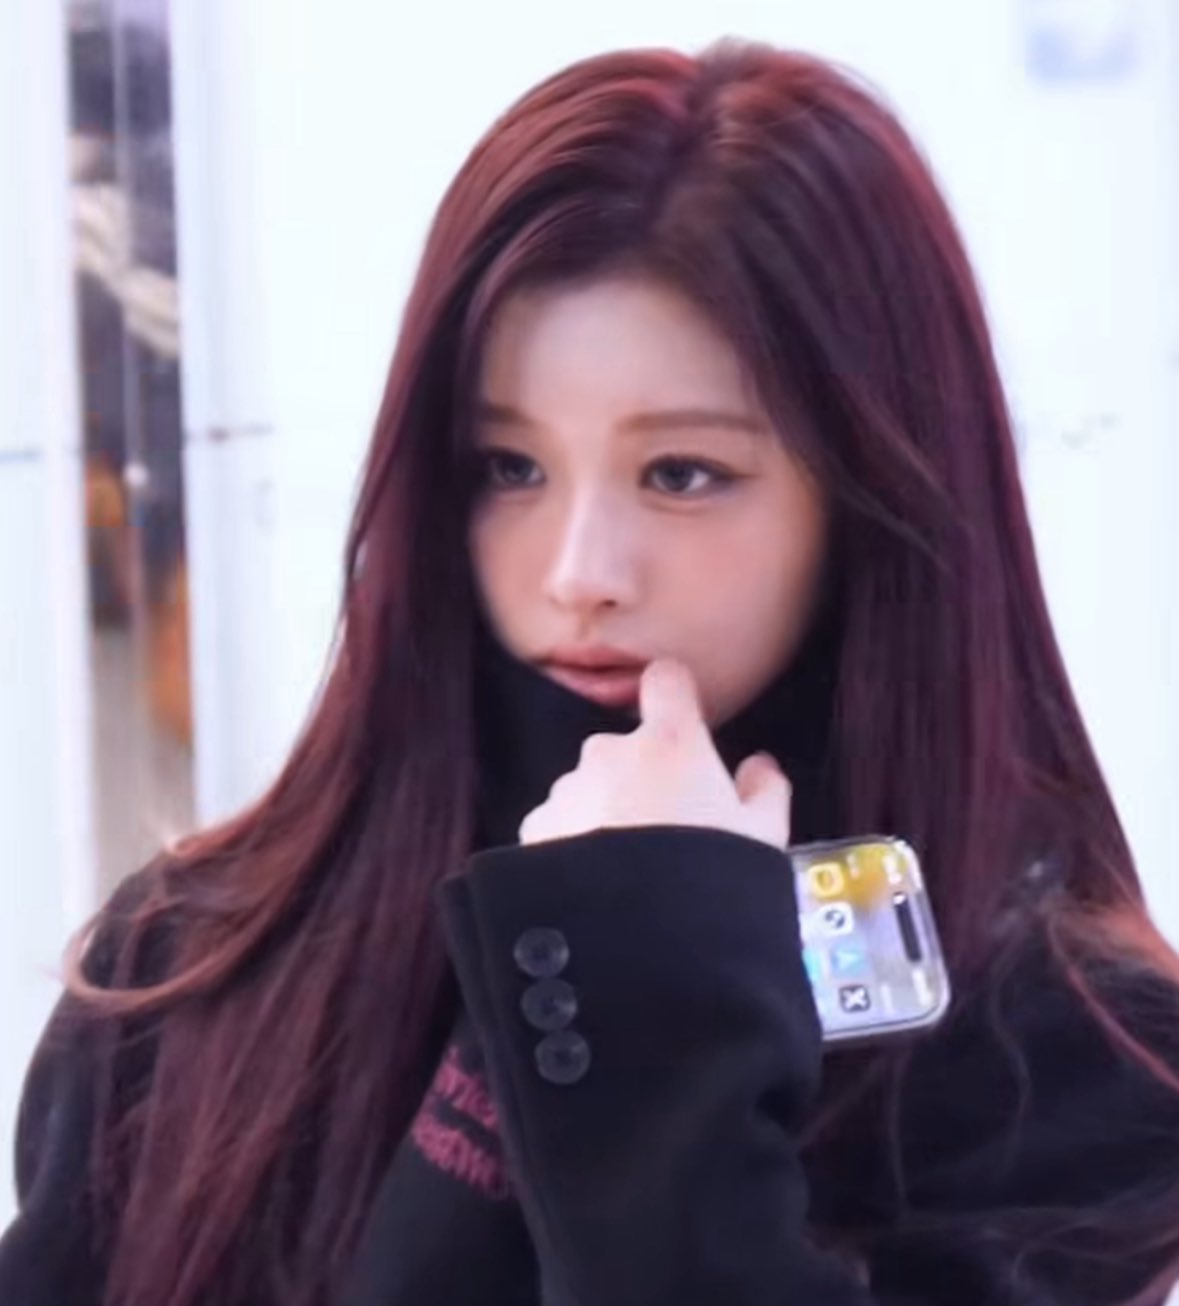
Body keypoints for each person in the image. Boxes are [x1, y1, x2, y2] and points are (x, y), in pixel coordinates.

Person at [3, 40, 1178, 1306]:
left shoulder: (1071, 1061)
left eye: (682, 474)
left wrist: (639, 974)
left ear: (874, 495)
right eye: (508, 467)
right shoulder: (195, 960)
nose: (579, 572)